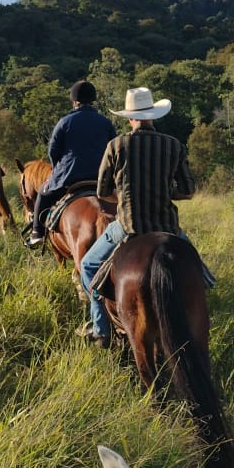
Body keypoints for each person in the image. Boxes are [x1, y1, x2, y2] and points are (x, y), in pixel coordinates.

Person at [79, 86, 196, 346]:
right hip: (167, 227)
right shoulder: (173, 145)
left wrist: (123, 197)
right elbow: (188, 192)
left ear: (130, 117)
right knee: (200, 272)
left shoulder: (116, 145)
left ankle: (101, 329)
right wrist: (166, 192)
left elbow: (102, 191)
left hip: (128, 227)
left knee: (88, 267)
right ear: (153, 115)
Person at [26, 79, 116, 248]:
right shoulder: (105, 122)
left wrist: (57, 169)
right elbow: (113, 149)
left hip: (70, 176)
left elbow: (53, 151)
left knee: (43, 194)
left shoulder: (65, 122)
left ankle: (37, 232)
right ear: (92, 100)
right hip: (101, 178)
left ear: (74, 100)